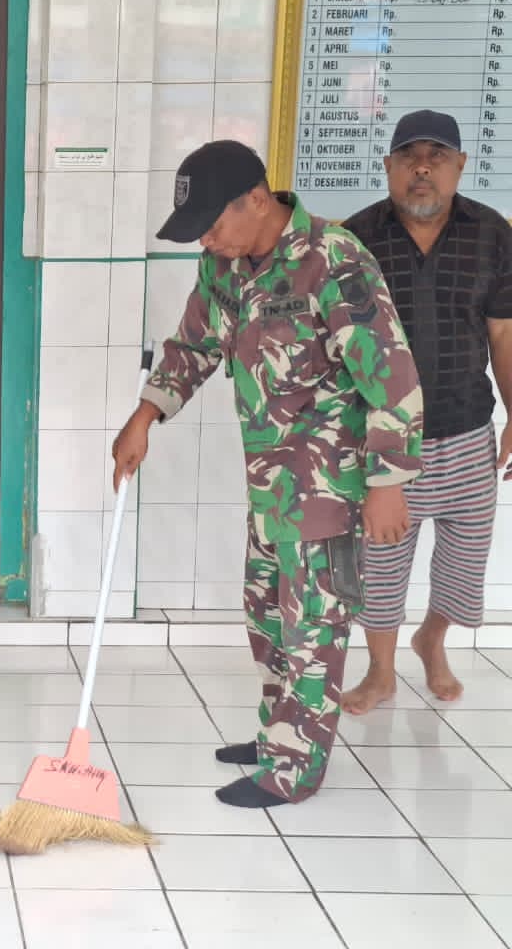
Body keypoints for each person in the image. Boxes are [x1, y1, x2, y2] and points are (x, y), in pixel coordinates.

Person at [112, 140, 424, 807]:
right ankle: (279, 732)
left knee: (313, 625)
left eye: (211, 224)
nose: (206, 240)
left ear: (257, 200)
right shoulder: (225, 264)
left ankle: (294, 769)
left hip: (331, 485)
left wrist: (389, 483)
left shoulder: (333, 261)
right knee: (266, 613)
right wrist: (145, 415)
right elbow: (195, 343)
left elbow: (392, 375)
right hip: (272, 483)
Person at [339, 110, 512, 713]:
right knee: (381, 561)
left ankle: (431, 640)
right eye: (409, 157)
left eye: (436, 157)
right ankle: (380, 671)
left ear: (460, 166)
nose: (422, 169)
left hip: (467, 428)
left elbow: (503, 334)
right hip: (384, 441)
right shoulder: (355, 238)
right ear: (388, 166)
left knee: (466, 559)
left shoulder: (492, 233)